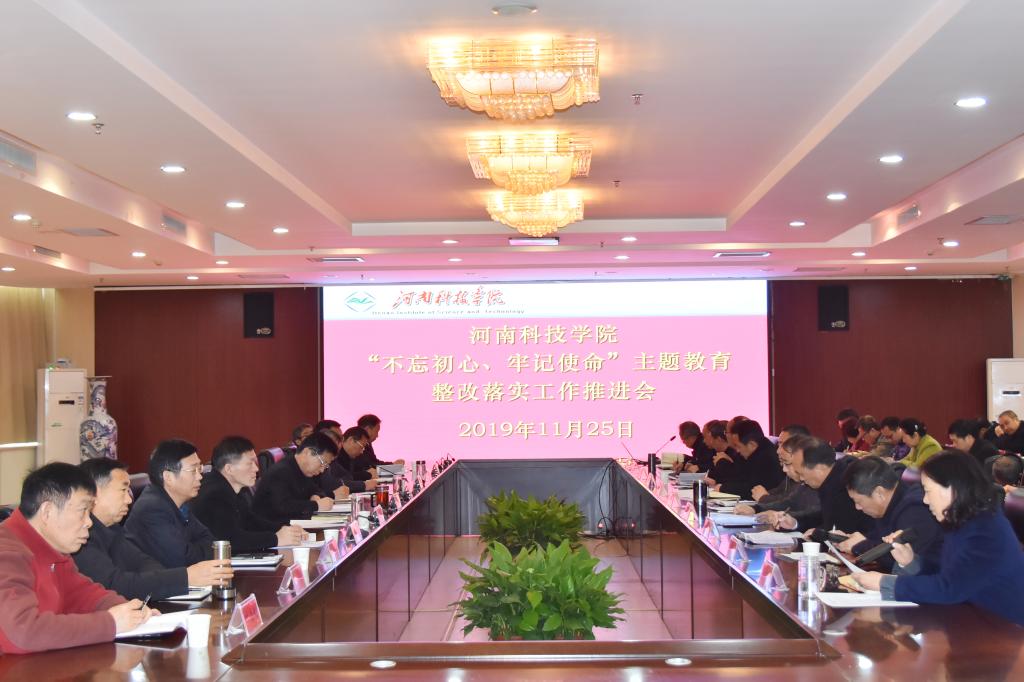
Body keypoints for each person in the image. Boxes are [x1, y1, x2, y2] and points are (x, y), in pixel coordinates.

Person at [0, 463, 157, 653]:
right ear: (47, 511)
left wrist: (130, 610)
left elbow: (84, 595)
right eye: (83, 511)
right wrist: (111, 623)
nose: (89, 523)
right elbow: (23, 632)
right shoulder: (7, 553)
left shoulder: (53, 548)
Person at [854, 451, 1024, 626]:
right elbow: (945, 573)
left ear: (951, 489)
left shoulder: (986, 530)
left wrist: (885, 583)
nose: (925, 500)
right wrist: (911, 562)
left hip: (1004, 629)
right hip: (968, 620)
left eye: (928, 491)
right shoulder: (960, 521)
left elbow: (950, 588)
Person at [74, 458, 233, 600]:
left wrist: (163, 580)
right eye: (123, 490)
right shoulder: (80, 536)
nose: (129, 500)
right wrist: (186, 578)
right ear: (94, 494)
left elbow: (144, 563)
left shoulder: (112, 528)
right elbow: (115, 585)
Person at [192, 436, 306, 552]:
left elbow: (250, 521)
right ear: (229, 469)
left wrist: (285, 529)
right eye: (250, 463)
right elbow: (230, 540)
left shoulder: (232, 487)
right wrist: (276, 538)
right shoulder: (215, 495)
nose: (256, 469)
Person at [836, 456, 944, 572]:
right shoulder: (889, 503)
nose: (857, 507)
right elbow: (879, 539)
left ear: (879, 493)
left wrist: (861, 545)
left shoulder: (916, 510)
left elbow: (901, 560)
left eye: (858, 501)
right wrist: (850, 540)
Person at [125, 439, 215, 568]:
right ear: (168, 477)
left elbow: (210, 541)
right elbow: (182, 560)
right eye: (193, 470)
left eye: (199, 469)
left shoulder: (179, 503)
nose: (200, 476)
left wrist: (193, 548)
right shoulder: (152, 509)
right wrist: (195, 548)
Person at [774, 437, 872, 535]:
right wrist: (795, 523)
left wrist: (818, 533)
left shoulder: (848, 484)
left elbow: (840, 529)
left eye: (802, 474)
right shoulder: (832, 477)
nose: (801, 479)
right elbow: (825, 515)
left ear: (819, 468)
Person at [253, 432, 338, 526]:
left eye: (326, 466)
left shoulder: (303, 469)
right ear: (307, 452)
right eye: (322, 463)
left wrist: (316, 495)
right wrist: (316, 505)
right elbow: (282, 507)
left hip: (292, 526)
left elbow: (316, 489)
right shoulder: (281, 472)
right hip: (272, 529)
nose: (322, 470)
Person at [735, 431, 819, 523]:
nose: (784, 469)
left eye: (787, 463)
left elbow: (814, 515)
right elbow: (789, 502)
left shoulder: (816, 482)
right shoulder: (803, 483)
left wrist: (786, 518)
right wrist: (755, 508)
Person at [714, 419, 784, 499]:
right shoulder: (755, 452)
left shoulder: (766, 458)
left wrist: (723, 488)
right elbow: (739, 477)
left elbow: (751, 488)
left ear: (752, 444)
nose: (737, 451)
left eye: (738, 446)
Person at [327, 427, 380, 493]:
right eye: (361, 447)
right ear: (351, 440)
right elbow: (336, 483)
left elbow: (348, 476)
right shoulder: (335, 457)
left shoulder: (352, 456)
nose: (362, 452)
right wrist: (364, 483)